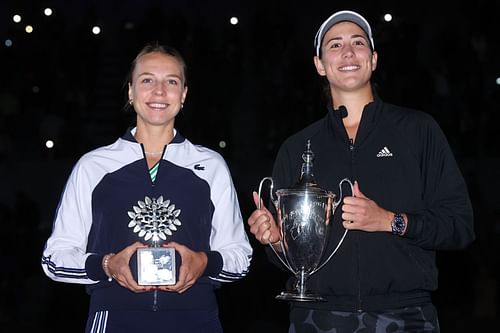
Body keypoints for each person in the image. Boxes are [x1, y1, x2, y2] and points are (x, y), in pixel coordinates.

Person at [247, 10, 474, 333]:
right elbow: (286, 256)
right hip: (317, 318)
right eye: (335, 45)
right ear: (320, 65)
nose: (348, 52)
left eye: (358, 43)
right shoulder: (297, 147)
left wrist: (389, 221)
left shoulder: (418, 130)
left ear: (374, 58)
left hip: (405, 316)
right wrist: (276, 240)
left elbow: (459, 226)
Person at [42, 42, 252, 333]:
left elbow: (239, 257)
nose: (159, 91)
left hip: (196, 318)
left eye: (172, 81)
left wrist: (204, 262)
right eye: (147, 80)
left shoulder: (210, 165)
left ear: (184, 95)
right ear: (130, 91)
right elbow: (54, 259)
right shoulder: (94, 166)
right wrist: (106, 265)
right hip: (115, 318)